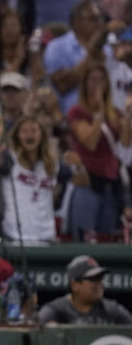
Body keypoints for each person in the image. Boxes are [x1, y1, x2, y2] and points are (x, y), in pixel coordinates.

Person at [0, 116, 81, 244]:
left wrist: (79, 166)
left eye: (33, 130)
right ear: (17, 136)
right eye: (24, 131)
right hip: (15, 236)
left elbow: (82, 181)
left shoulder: (52, 165)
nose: (29, 134)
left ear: (41, 135)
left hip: (46, 235)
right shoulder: (10, 160)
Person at [67, 62, 131, 241]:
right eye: (92, 80)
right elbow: (90, 143)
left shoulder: (114, 113)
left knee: (106, 239)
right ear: (85, 84)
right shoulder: (77, 111)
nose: (97, 85)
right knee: (85, 239)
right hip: (88, 182)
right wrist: (98, 114)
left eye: (101, 80)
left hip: (109, 183)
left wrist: (126, 115)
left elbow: (126, 142)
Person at [44, 0, 105, 113]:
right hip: (69, 119)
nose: (99, 22)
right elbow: (62, 85)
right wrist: (91, 55)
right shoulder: (57, 47)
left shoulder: (107, 47)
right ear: (76, 21)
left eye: (100, 18)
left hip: (103, 118)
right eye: (93, 18)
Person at [37, 255, 132, 325]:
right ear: (75, 285)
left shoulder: (112, 309)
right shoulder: (55, 310)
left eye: (100, 278)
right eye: (94, 279)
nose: (100, 283)